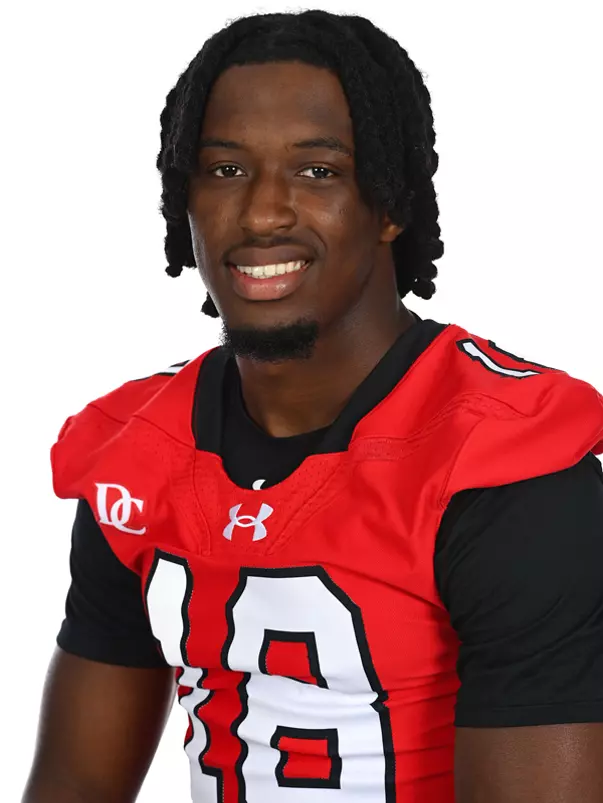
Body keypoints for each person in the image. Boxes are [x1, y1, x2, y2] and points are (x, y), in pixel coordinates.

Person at [22, 9, 603, 803]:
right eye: (224, 170)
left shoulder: (502, 469)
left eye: (317, 171)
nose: (262, 213)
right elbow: (75, 783)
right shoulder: (136, 450)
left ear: (390, 202)